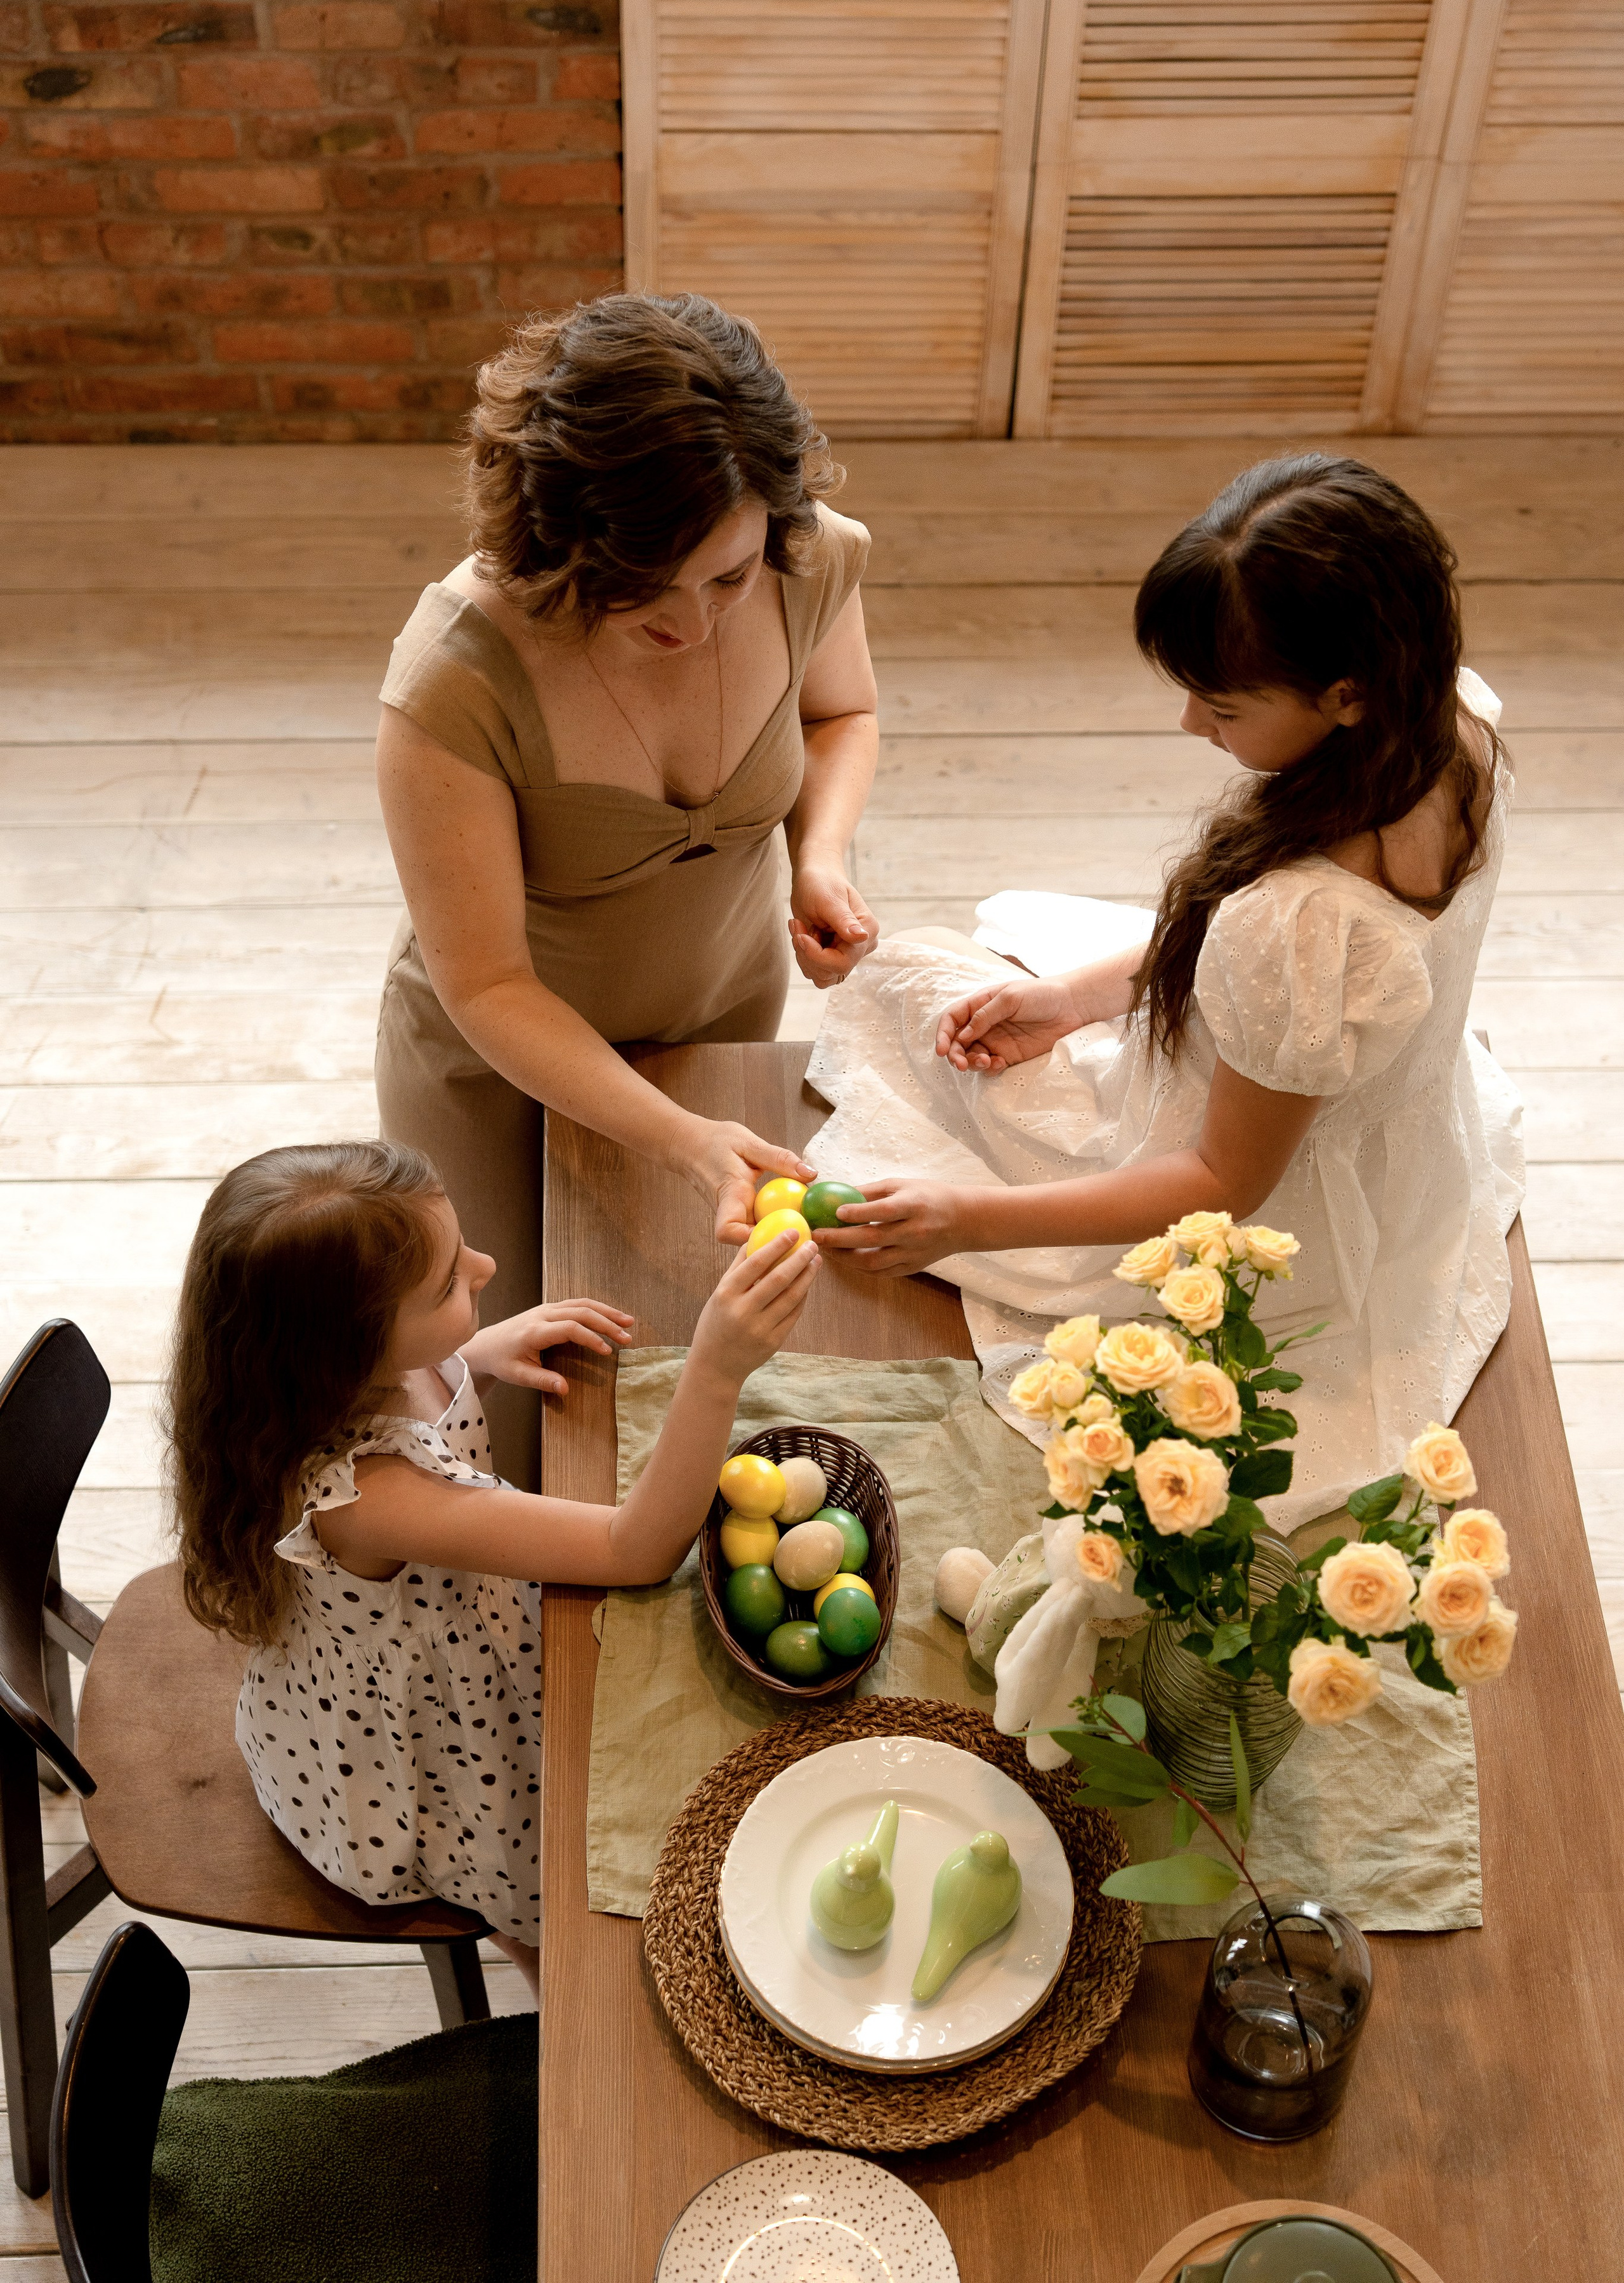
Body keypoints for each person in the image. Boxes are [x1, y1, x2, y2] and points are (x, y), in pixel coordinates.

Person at [801, 454, 1525, 1520]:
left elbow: (1223, 1180)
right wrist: (1082, 997)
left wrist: (970, 1218)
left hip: (1269, 1191)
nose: (1194, 729)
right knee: (950, 988)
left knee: (900, 1006)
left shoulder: (1298, 921)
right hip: (1382, 1122)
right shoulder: (1454, 719)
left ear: (1349, 695)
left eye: (1222, 705)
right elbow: (1299, 974)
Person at [375, 291, 879, 1478]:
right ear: (559, 543)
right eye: (648, 587)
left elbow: (842, 707)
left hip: (718, 1015)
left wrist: (820, 854)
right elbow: (489, 983)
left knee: (670, 1351)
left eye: (728, 579)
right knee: (507, 1394)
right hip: (497, 1068)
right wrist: (689, 1143)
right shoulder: (454, 680)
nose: (698, 624)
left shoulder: (808, 560)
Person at [166, 1139, 818, 2001]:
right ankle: (556, 1982)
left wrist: (471, 1357)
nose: (488, 1265)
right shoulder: (370, 1498)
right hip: (425, 1754)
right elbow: (636, 1549)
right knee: (548, 1884)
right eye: (449, 1284)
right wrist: (717, 1368)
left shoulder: (319, 1388)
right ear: (346, 1353)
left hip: (439, 1643)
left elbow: (421, 1396)